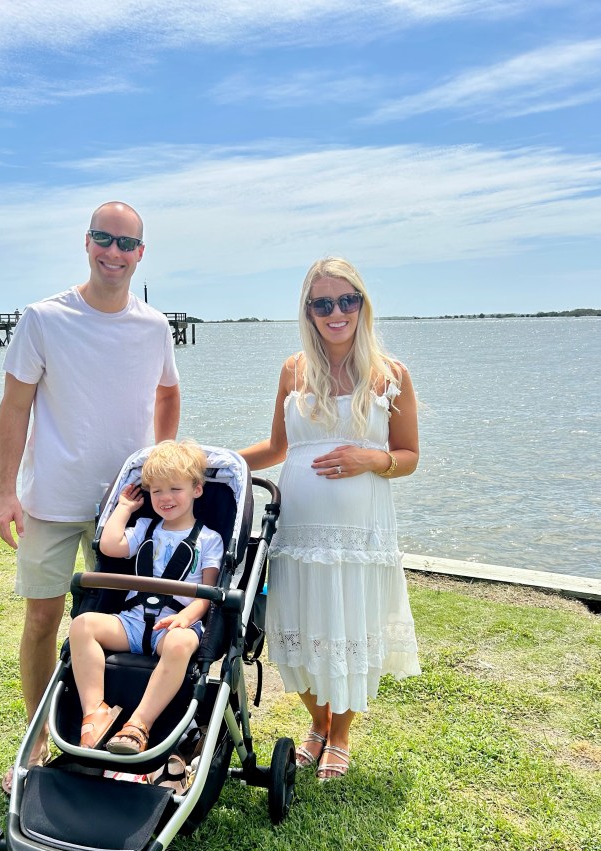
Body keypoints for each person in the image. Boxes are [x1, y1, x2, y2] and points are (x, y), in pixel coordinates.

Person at [0, 201, 181, 793]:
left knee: (129, 623)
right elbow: (14, 407)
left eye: (126, 244)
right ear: (87, 242)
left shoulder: (154, 326)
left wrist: (161, 462)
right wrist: (5, 492)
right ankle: (36, 742)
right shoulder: (43, 318)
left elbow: (168, 394)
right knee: (42, 619)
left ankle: (121, 736)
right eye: (104, 238)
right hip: (51, 499)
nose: (114, 253)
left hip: (125, 505)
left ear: (141, 253)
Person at [240, 257, 420, 781]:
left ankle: (339, 736)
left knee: (349, 628)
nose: (336, 312)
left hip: (360, 535)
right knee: (297, 628)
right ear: (308, 311)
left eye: (347, 300)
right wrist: (211, 460)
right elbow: (277, 448)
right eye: (323, 303)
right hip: (297, 530)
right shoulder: (293, 370)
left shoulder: (391, 375)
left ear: (362, 304)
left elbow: (409, 455)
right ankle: (317, 724)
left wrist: (371, 458)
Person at [68, 440, 224, 754]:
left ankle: (139, 724)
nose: (165, 498)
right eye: (157, 491)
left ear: (196, 489)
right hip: (132, 621)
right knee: (82, 625)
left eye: (175, 489)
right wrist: (124, 508)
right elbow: (109, 546)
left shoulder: (210, 539)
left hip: (175, 625)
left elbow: (208, 594)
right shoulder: (144, 527)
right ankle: (95, 711)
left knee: (180, 643)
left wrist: (186, 617)